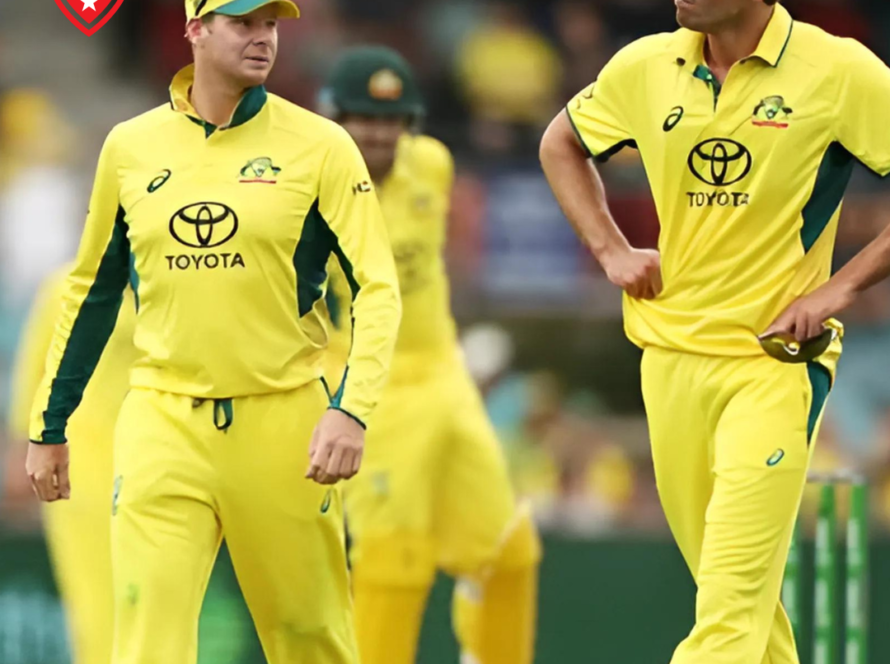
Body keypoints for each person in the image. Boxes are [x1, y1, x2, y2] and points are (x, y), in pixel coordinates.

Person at [24, 2, 402, 664]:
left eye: (272, 25)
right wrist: (49, 426)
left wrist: (351, 410)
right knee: (144, 639)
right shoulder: (130, 147)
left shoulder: (320, 146)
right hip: (162, 422)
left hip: (284, 422)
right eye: (243, 22)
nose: (262, 38)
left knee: (310, 638)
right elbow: (93, 289)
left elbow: (377, 287)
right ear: (195, 28)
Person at [540, 0, 890, 662]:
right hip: (669, 360)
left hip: (773, 367)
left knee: (727, 616)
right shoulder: (646, 63)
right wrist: (610, 248)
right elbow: (561, 142)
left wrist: (837, 289)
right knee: (743, 605)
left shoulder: (839, 69)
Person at [320, 46, 541, 664]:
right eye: (362, 120)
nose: (378, 134)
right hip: (367, 384)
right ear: (333, 118)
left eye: (391, 121)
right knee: (394, 562)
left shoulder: (433, 166)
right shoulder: (309, 188)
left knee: (509, 550)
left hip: (443, 372)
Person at [5, 266, 137, 664]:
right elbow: (32, 384)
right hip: (84, 481)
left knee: (144, 612)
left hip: (151, 472)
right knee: (98, 609)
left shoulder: (171, 288)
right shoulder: (67, 289)